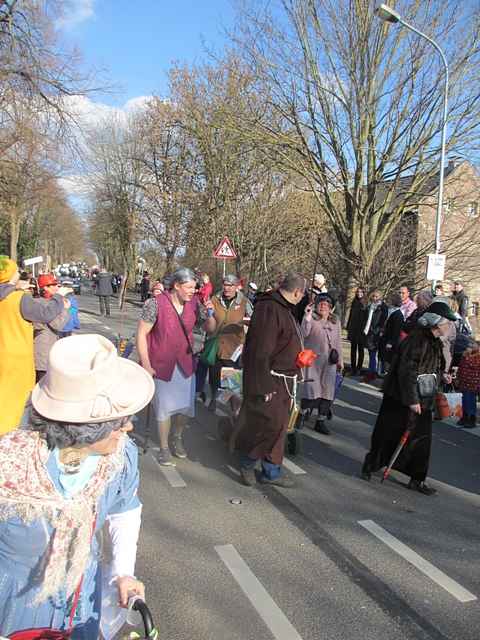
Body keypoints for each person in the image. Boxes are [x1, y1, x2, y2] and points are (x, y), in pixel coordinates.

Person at [0, 334, 153, 637]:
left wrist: (123, 572)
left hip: (82, 602)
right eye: (119, 421)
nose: (128, 427)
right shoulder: (9, 464)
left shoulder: (120, 456)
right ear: (85, 429)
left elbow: (125, 510)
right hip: (14, 607)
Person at [361, 301, 456, 495]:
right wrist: (412, 400)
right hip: (401, 397)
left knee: (422, 440)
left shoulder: (435, 342)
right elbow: (407, 371)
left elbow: (429, 369)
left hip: (424, 398)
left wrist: (442, 375)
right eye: (447, 322)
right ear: (436, 322)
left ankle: (417, 479)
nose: (449, 326)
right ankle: (371, 464)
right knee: (387, 433)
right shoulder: (417, 339)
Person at [236, 272, 306, 488]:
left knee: (280, 427)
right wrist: (263, 385)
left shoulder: (284, 307)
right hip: (270, 379)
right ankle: (247, 463)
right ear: (296, 292)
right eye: (302, 295)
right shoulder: (270, 308)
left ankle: (271, 471)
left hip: (284, 379)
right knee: (269, 425)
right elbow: (260, 351)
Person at [0, 256, 70, 435]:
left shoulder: (15, 296)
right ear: (11, 275)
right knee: (16, 401)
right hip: (16, 359)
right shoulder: (18, 299)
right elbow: (47, 315)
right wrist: (58, 298)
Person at [136, 268, 199, 466]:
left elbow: (210, 328)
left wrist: (210, 314)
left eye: (195, 288)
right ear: (177, 286)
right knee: (164, 407)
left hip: (185, 363)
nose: (192, 291)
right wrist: (146, 364)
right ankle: (164, 447)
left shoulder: (195, 304)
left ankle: (177, 437)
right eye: (189, 287)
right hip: (161, 364)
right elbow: (141, 334)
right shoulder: (155, 304)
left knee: (185, 408)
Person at [204, 274, 253, 411]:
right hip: (216, 346)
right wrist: (207, 313)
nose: (227, 288)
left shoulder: (244, 302)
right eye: (225, 284)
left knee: (231, 382)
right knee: (214, 376)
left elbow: (253, 320)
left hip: (234, 348)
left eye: (230, 285)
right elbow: (206, 320)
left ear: (237, 287)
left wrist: (246, 323)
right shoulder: (215, 299)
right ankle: (214, 398)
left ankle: (232, 407)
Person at [300, 295, 343, 435]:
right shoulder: (311, 318)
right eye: (320, 304)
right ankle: (301, 414)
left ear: (331, 308)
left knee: (327, 392)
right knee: (311, 390)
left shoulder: (335, 322)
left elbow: (338, 343)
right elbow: (303, 334)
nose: (323, 307)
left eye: (326, 305)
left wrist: (340, 360)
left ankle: (321, 420)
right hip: (312, 361)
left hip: (329, 362)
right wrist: (306, 317)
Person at [34, 274, 71, 382]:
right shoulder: (43, 303)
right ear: (45, 287)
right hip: (43, 352)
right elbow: (57, 324)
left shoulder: (45, 302)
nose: (57, 287)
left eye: (57, 284)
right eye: (53, 285)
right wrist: (65, 309)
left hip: (46, 350)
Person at [363, 290, 388, 381]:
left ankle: (373, 372)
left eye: (377, 296)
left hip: (376, 333)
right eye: (373, 296)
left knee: (374, 353)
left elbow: (383, 320)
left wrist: (378, 330)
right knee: (371, 353)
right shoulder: (370, 306)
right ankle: (372, 371)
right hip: (369, 332)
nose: (375, 298)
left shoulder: (383, 307)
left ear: (380, 297)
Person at [456, 342, 480, 429]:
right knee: (465, 400)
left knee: (471, 401)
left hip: (473, 383)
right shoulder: (465, 355)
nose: (470, 347)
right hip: (464, 382)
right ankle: (465, 417)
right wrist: (458, 377)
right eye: (469, 345)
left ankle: (472, 418)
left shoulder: (477, 356)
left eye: (473, 345)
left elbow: (474, 365)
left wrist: (467, 357)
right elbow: (461, 366)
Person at [346, 287, 367, 376]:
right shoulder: (354, 302)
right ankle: (353, 367)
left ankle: (359, 368)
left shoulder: (365, 304)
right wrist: (348, 327)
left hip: (361, 330)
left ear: (363, 293)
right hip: (353, 329)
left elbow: (366, 319)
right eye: (358, 292)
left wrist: (364, 329)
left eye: (361, 292)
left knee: (360, 349)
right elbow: (351, 315)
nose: (359, 293)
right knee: (353, 349)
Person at [380, 293, 404, 368]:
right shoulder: (392, 311)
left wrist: (390, 343)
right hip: (386, 339)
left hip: (391, 343)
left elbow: (396, 331)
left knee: (389, 363)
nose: (388, 302)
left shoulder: (398, 314)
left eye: (389, 300)